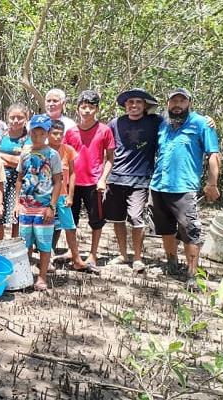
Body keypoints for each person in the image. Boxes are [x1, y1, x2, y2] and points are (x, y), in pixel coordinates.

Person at [150, 88, 221, 284]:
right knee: (165, 229)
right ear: (168, 104)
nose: (178, 105)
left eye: (182, 101)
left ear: (189, 103)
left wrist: (212, 183)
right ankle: (171, 264)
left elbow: (213, 154)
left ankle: (191, 274)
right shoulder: (163, 124)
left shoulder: (201, 123)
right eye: (174, 101)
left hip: (184, 188)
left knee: (190, 231)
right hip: (159, 185)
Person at [104, 88, 161, 272]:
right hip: (116, 177)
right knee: (117, 219)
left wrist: (207, 121)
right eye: (130, 102)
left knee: (136, 218)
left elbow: (179, 120)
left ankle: (137, 257)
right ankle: (123, 254)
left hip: (140, 179)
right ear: (125, 106)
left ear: (145, 106)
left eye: (138, 102)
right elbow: (107, 149)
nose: (134, 105)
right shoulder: (115, 123)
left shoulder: (155, 122)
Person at [63, 90, 114, 269]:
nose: (87, 111)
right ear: (77, 109)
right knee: (70, 220)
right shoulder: (70, 132)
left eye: (91, 107)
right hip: (72, 183)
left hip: (94, 183)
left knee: (96, 220)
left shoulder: (105, 130)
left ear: (96, 109)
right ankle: (72, 251)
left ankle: (93, 253)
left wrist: (103, 179)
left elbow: (110, 159)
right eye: (83, 107)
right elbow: (65, 158)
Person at [14, 115, 62, 291]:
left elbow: (58, 181)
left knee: (43, 243)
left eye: (42, 133)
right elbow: (20, 178)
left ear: (47, 134)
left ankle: (41, 276)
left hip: (43, 208)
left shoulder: (52, 155)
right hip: (26, 207)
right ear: (29, 132)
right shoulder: (25, 153)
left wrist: (52, 206)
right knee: (24, 243)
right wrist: (17, 203)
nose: (37, 136)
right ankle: (25, 275)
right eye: (34, 133)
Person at [47, 120, 87, 272]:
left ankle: (77, 258)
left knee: (69, 226)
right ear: (48, 134)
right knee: (47, 227)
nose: (57, 137)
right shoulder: (43, 150)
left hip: (63, 195)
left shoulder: (68, 150)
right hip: (46, 196)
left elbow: (72, 173)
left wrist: (71, 195)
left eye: (60, 134)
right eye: (54, 133)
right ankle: (47, 258)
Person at [0, 103, 31, 239]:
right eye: (12, 117)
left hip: (19, 180)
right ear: (7, 118)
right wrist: (11, 158)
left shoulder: (28, 138)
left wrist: (2, 156)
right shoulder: (2, 135)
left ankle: (14, 243)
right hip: (0, 179)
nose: (15, 121)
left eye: (20, 117)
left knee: (16, 215)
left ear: (26, 119)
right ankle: (0, 244)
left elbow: (23, 161)